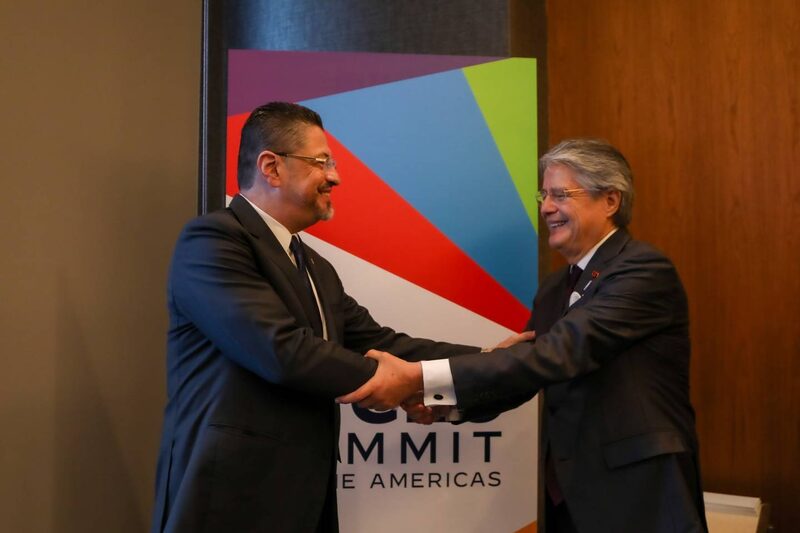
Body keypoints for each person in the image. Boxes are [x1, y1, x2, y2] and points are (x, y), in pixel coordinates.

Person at [150, 102, 510, 533]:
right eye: (321, 162)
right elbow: (282, 350)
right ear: (271, 166)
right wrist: (398, 382)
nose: (335, 176)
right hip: (232, 497)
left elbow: (380, 341)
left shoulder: (315, 266)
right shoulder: (214, 241)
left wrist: (490, 361)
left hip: (304, 497)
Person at [339, 139, 708, 533]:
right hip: (568, 495)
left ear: (611, 200)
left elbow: (555, 354)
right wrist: (445, 405)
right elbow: (528, 375)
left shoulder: (643, 271)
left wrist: (419, 378)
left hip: (640, 493)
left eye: (561, 194)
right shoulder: (554, 288)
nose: (546, 207)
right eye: (544, 194)